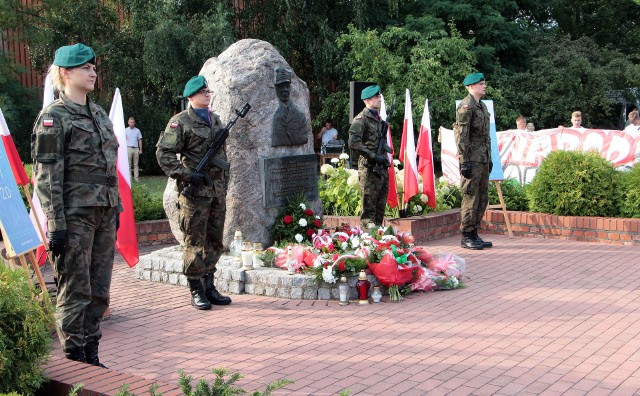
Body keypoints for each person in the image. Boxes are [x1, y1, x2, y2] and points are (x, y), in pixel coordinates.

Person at [32, 43, 121, 366]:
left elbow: (110, 166)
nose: (93, 72)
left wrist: (117, 209)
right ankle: (74, 360)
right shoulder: (53, 117)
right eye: (85, 67)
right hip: (74, 217)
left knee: (99, 291)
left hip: (104, 214)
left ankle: (92, 354)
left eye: (94, 67)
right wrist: (55, 224)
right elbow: (46, 175)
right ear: (65, 73)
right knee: (75, 290)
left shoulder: (98, 114)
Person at [156, 75, 232, 311]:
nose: (207, 95)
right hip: (195, 193)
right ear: (191, 96)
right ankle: (196, 288)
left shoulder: (217, 121)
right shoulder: (181, 122)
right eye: (203, 92)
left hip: (216, 191)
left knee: (215, 240)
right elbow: (164, 154)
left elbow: (224, 158)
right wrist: (186, 175)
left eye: (209, 91)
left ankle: (210, 284)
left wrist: (224, 184)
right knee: (194, 241)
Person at [454, 72, 493, 250]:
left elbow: (486, 137)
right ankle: (466, 235)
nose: (484, 86)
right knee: (470, 196)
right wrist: (464, 161)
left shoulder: (482, 107)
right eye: (480, 83)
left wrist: (489, 158)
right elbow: (461, 136)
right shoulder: (466, 107)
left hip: (483, 158)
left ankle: (474, 233)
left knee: (482, 197)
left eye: (484, 83)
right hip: (471, 158)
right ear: (470, 87)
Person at [348, 84, 390, 228]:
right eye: (376, 97)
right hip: (369, 168)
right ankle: (369, 244)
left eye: (379, 96)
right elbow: (353, 143)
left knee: (380, 209)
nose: (380, 99)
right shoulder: (361, 119)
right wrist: (373, 156)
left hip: (381, 168)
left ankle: (378, 242)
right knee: (368, 212)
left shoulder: (379, 120)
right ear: (367, 100)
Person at [271, 67, 309, 146]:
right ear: (276, 89)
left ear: (290, 88)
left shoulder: (300, 114)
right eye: (281, 87)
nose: (285, 89)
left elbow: (305, 138)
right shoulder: (274, 115)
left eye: (287, 86)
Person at [125, 117, 142, 182]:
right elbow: (123, 140)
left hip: (136, 149)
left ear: (134, 123)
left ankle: (136, 178)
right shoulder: (125, 130)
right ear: (128, 123)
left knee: (136, 164)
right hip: (128, 148)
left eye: (133, 122)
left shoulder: (137, 130)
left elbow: (140, 140)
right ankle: (129, 178)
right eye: (130, 122)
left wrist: (140, 149)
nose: (132, 123)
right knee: (128, 165)